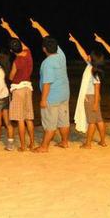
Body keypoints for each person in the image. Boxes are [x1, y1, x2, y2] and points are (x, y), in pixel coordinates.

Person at [30, 19, 70, 153]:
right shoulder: (61, 55)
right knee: (63, 120)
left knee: (50, 123)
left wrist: (43, 99)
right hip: (64, 94)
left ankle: (44, 147)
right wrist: (38, 26)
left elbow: (47, 83)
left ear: (44, 49)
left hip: (52, 97)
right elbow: (49, 38)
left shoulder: (47, 63)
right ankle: (64, 142)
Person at [0, 18, 35, 151]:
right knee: (29, 118)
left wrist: (8, 75)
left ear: (11, 50)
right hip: (28, 88)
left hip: (18, 89)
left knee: (20, 119)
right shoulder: (28, 53)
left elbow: (11, 76)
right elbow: (18, 39)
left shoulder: (17, 61)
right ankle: (32, 143)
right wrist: (8, 28)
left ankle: (22, 146)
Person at [68, 33, 107, 148]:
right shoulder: (91, 67)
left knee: (92, 121)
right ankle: (103, 141)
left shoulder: (93, 71)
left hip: (90, 98)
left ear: (93, 59)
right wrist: (75, 41)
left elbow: (97, 87)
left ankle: (88, 143)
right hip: (93, 97)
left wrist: (95, 103)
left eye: (90, 55)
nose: (88, 55)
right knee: (99, 120)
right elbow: (82, 53)